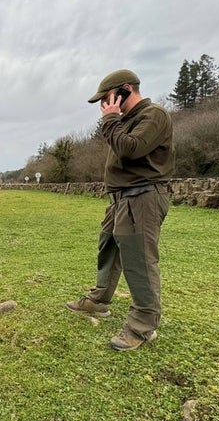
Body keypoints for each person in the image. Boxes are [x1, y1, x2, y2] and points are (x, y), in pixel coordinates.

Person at [66, 69, 175, 351]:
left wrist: (111, 120)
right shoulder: (125, 121)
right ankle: (99, 300)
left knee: (139, 259)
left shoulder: (154, 115)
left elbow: (131, 149)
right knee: (108, 248)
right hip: (121, 199)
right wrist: (115, 121)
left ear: (125, 89)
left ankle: (142, 327)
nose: (104, 105)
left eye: (107, 97)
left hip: (143, 197)